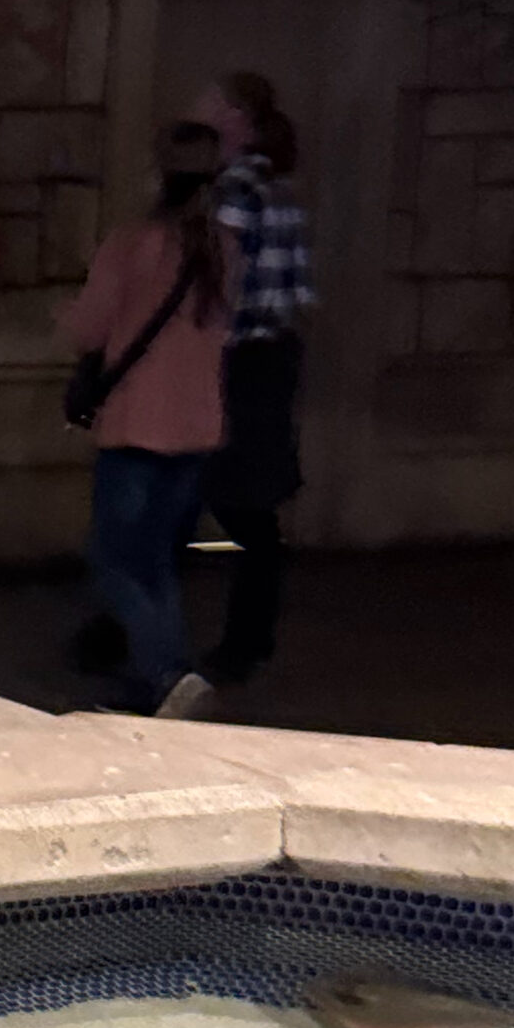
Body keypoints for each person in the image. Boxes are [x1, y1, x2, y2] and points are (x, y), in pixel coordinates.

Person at [63, 123, 235, 720]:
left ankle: (168, 674)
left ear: (159, 175)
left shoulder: (134, 243)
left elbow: (88, 327)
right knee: (156, 559)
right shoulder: (224, 249)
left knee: (113, 558)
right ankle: (157, 680)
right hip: (197, 427)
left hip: (138, 425)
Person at [199, 69, 315, 687]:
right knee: (251, 507)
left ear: (236, 116)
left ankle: (238, 641)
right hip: (274, 357)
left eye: (213, 99)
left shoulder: (236, 190)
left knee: (228, 502)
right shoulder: (279, 187)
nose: (202, 106)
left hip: (239, 360)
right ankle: (250, 636)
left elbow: (225, 284)